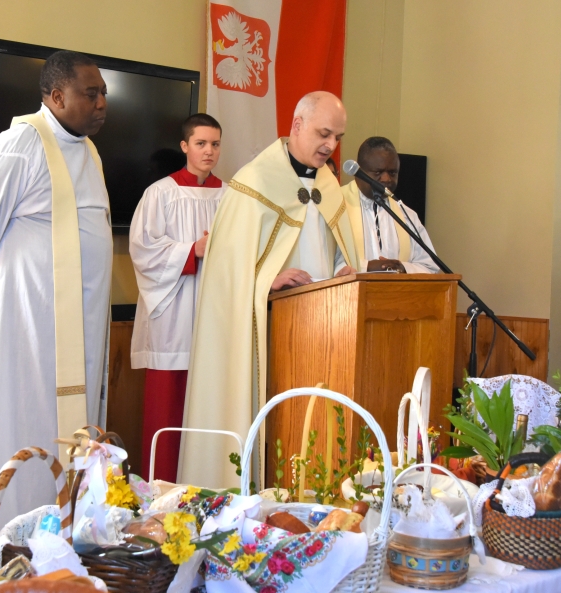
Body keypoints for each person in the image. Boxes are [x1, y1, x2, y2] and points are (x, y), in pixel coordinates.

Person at [0, 51, 112, 522]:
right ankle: (8, 543)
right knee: (22, 426)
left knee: (73, 430)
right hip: (26, 325)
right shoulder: (20, 145)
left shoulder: (88, 149)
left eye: (103, 93)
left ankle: (68, 536)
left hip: (75, 330)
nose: (102, 103)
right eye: (92, 93)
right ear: (57, 96)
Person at [178, 91, 359, 487]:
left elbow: (337, 249)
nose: (330, 145)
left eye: (337, 137)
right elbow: (225, 275)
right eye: (323, 133)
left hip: (327, 334)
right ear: (297, 125)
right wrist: (267, 278)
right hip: (270, 333)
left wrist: (345, 266)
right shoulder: (253, 183)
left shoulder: (329, 185)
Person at [129, 114, 226, 482]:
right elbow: (142, 250)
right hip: (173, 314)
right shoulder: (161, 193)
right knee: (168, 410)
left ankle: (208, 486)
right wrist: (193, 250)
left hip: (213, 314)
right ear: (185, 146)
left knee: (210, 407)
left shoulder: (229, 195)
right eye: (201, 143)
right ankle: (162, 490)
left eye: (215, 144)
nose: (209, 151)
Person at [340, 137, 439, 274]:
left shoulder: (406, 214)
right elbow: (324, 260)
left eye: (392, 173)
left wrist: (402, 268)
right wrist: (367, 267)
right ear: (358, 172)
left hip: (396, 293)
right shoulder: (336, 207)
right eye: (378, 172)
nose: (386, 179)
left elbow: (429, 265)